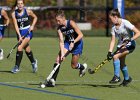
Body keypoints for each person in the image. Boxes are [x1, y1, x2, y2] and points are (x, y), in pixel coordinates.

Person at [46, 10, 87, 87]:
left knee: (73, 66)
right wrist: (62, 54)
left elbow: (81, 35)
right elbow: (61, 42)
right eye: (56, 21)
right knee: (58, 59)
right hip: (67, 43)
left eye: (59, 20)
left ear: (63, 18)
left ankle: (82, 67)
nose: (57, 22)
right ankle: (52, 80)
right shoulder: (59, 29)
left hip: (77, 44)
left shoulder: (71, 23)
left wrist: (73, 42)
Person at [107, 9, 140, 86]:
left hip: (130, 45)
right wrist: (109, 52)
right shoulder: (113, 28)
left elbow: (138, 32)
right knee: (121, 64)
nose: (110, 21)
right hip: (121, 46)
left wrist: (130, 39)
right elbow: (113, 41)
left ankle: (117, 77)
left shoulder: (125, 23)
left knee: (115, 57)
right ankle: (127, 79)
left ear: (115, 17)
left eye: (111, 19)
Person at [11, 0, 38, 73]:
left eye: (21, 3)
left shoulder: (28, 11)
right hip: (20, 33)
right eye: (18, 4)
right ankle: (33, 62)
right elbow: (16, 26)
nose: (20, 5)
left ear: (23, 4)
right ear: (16, 5)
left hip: (28, 32)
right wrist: (19, 36)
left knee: (19, 48)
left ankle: (17, 67)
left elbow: (35, 17)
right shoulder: (14, 14)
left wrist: (32, 26)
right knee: (27, 49)